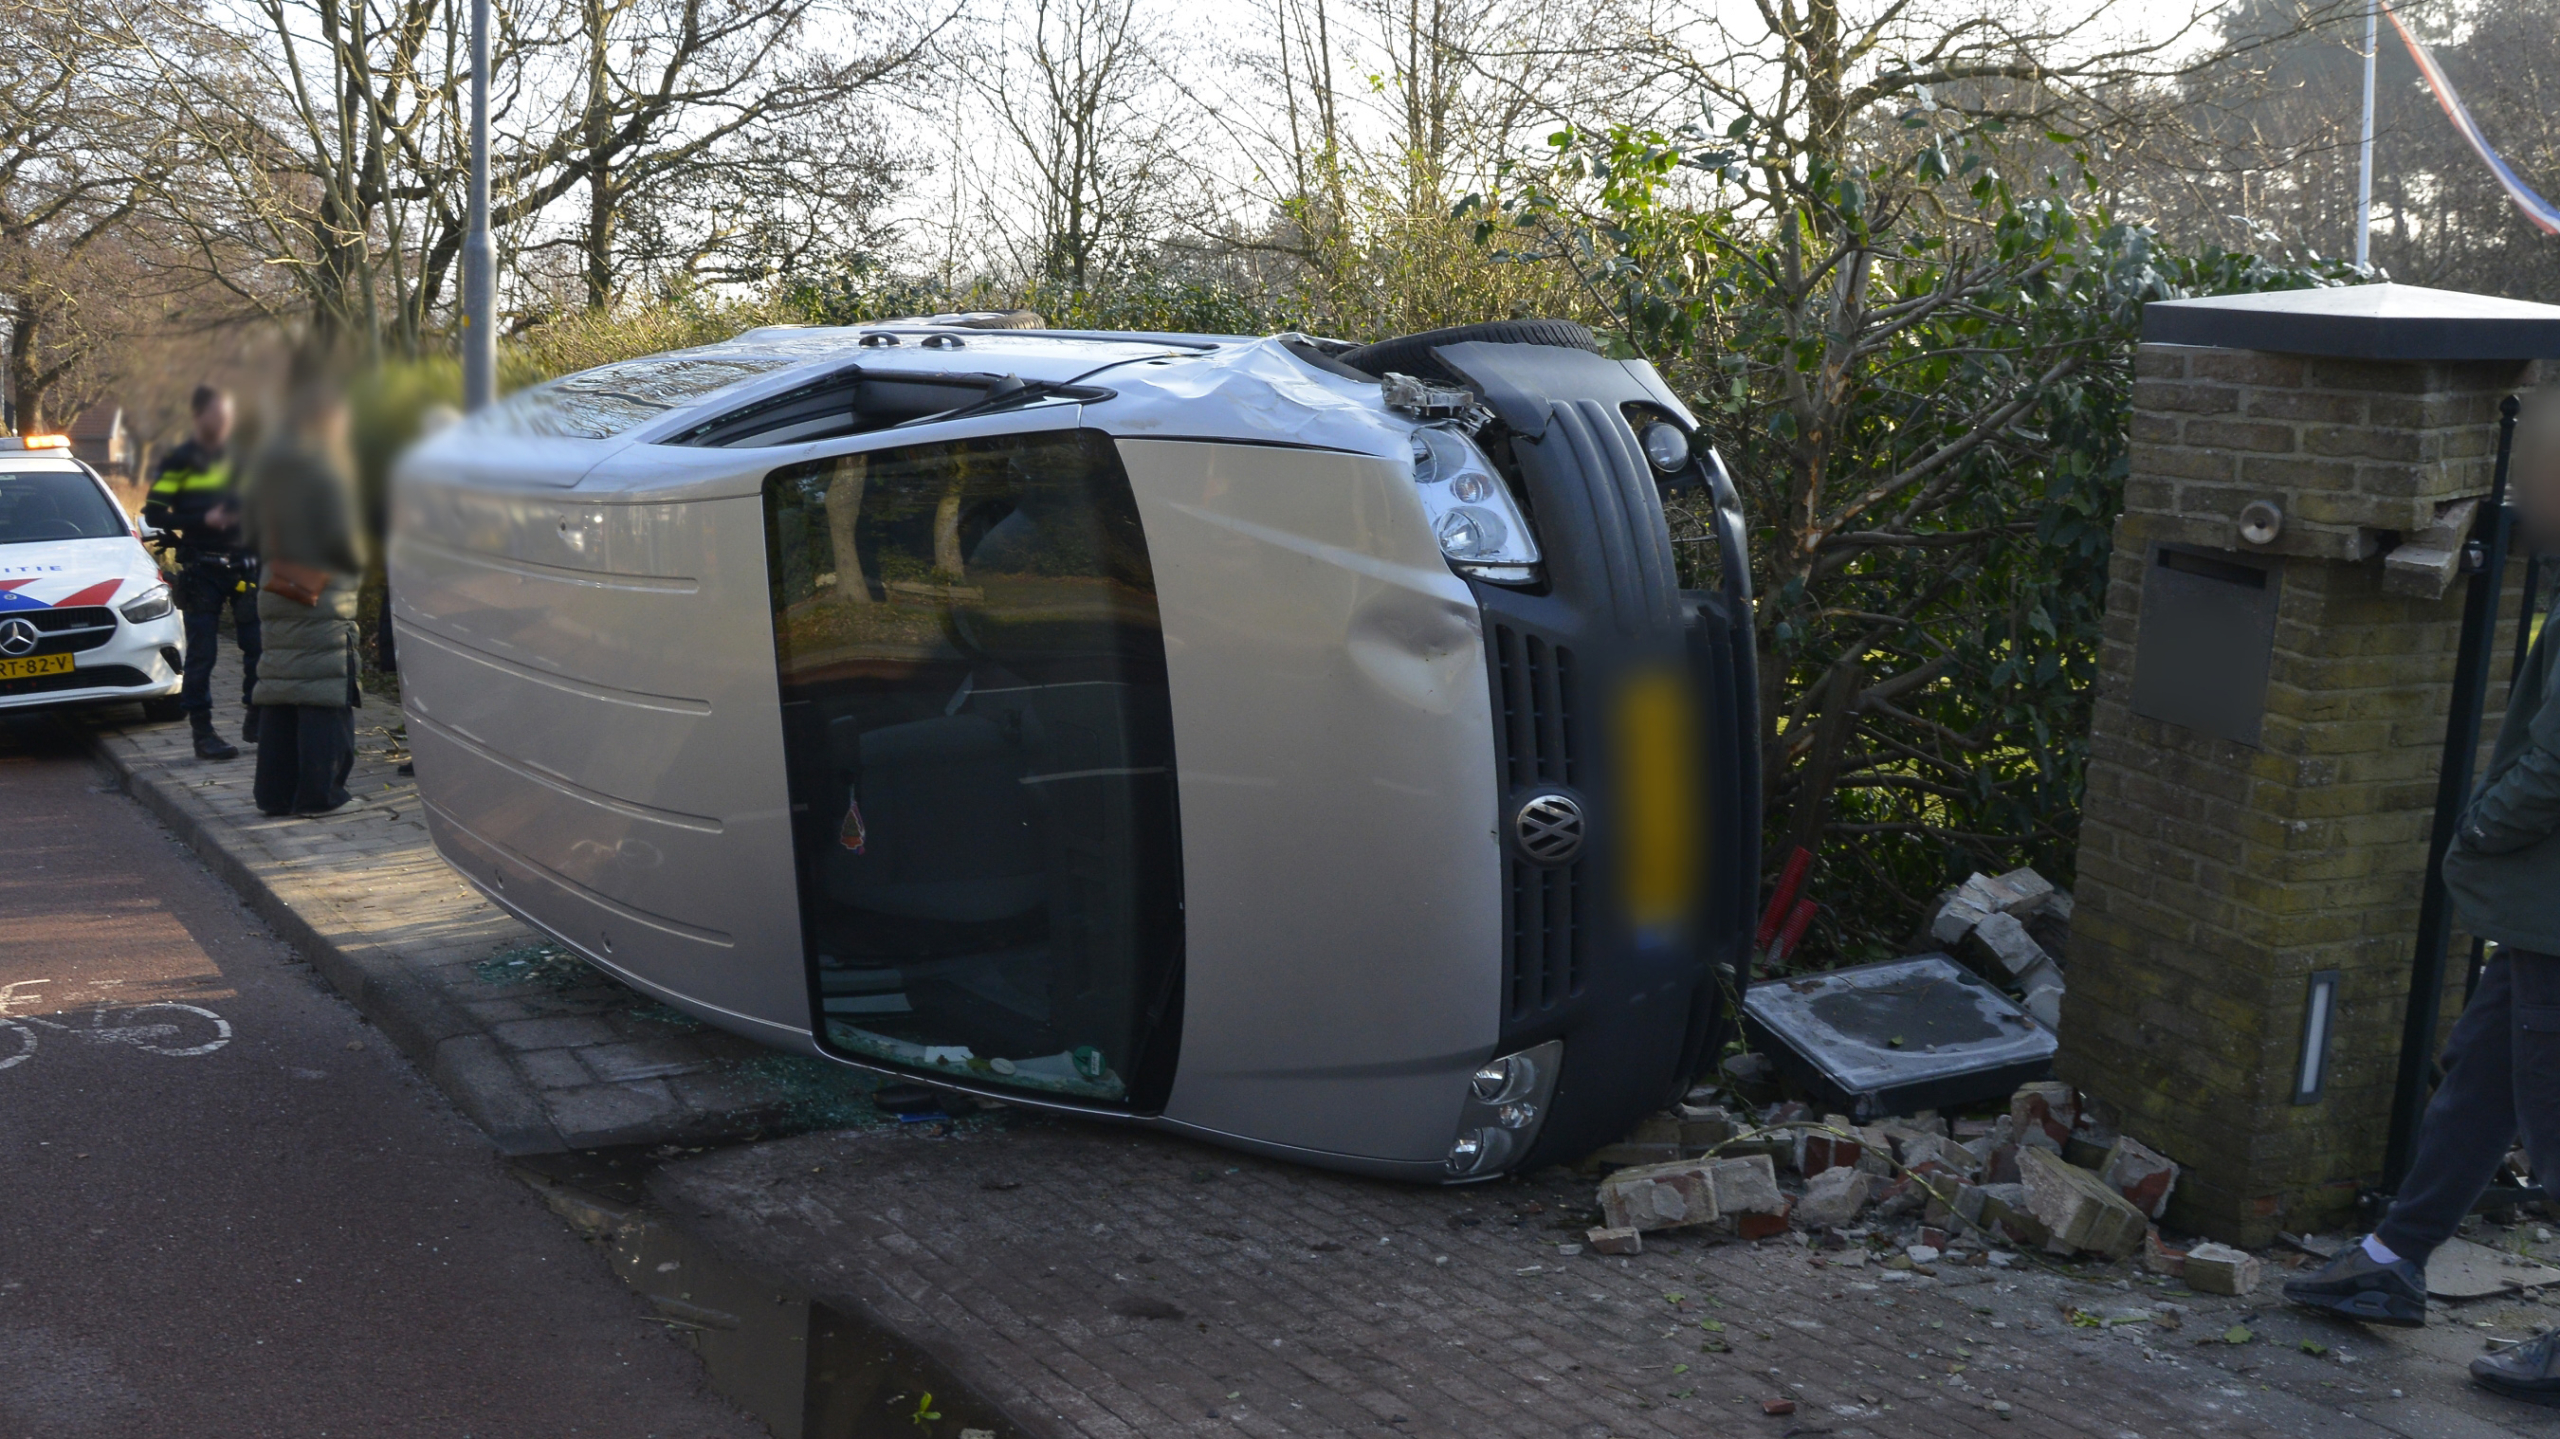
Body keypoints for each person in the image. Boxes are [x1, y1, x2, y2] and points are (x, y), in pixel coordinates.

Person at [2285, 398, 2560, 1407]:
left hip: (2552, 910)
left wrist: (2480, 826)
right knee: (2480, 1079)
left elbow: (2553, 763)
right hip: (2540, 912)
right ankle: (2391, 1256)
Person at [241, 368, 365, 817]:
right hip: (319, 595)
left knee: (280, 688)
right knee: (322, 694)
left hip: (276, 589)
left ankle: (272, 796)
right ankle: (320, 795)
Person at [141, 384, 260, 760]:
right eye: (218, 414)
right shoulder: (180, 461)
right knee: (202, 654)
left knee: (259, 648)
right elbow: (154, 513)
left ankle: (257, 715)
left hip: (246, 563)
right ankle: (203, 733)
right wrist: (201, 518)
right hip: (202, 569)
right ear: (199, 417)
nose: (226, 420)